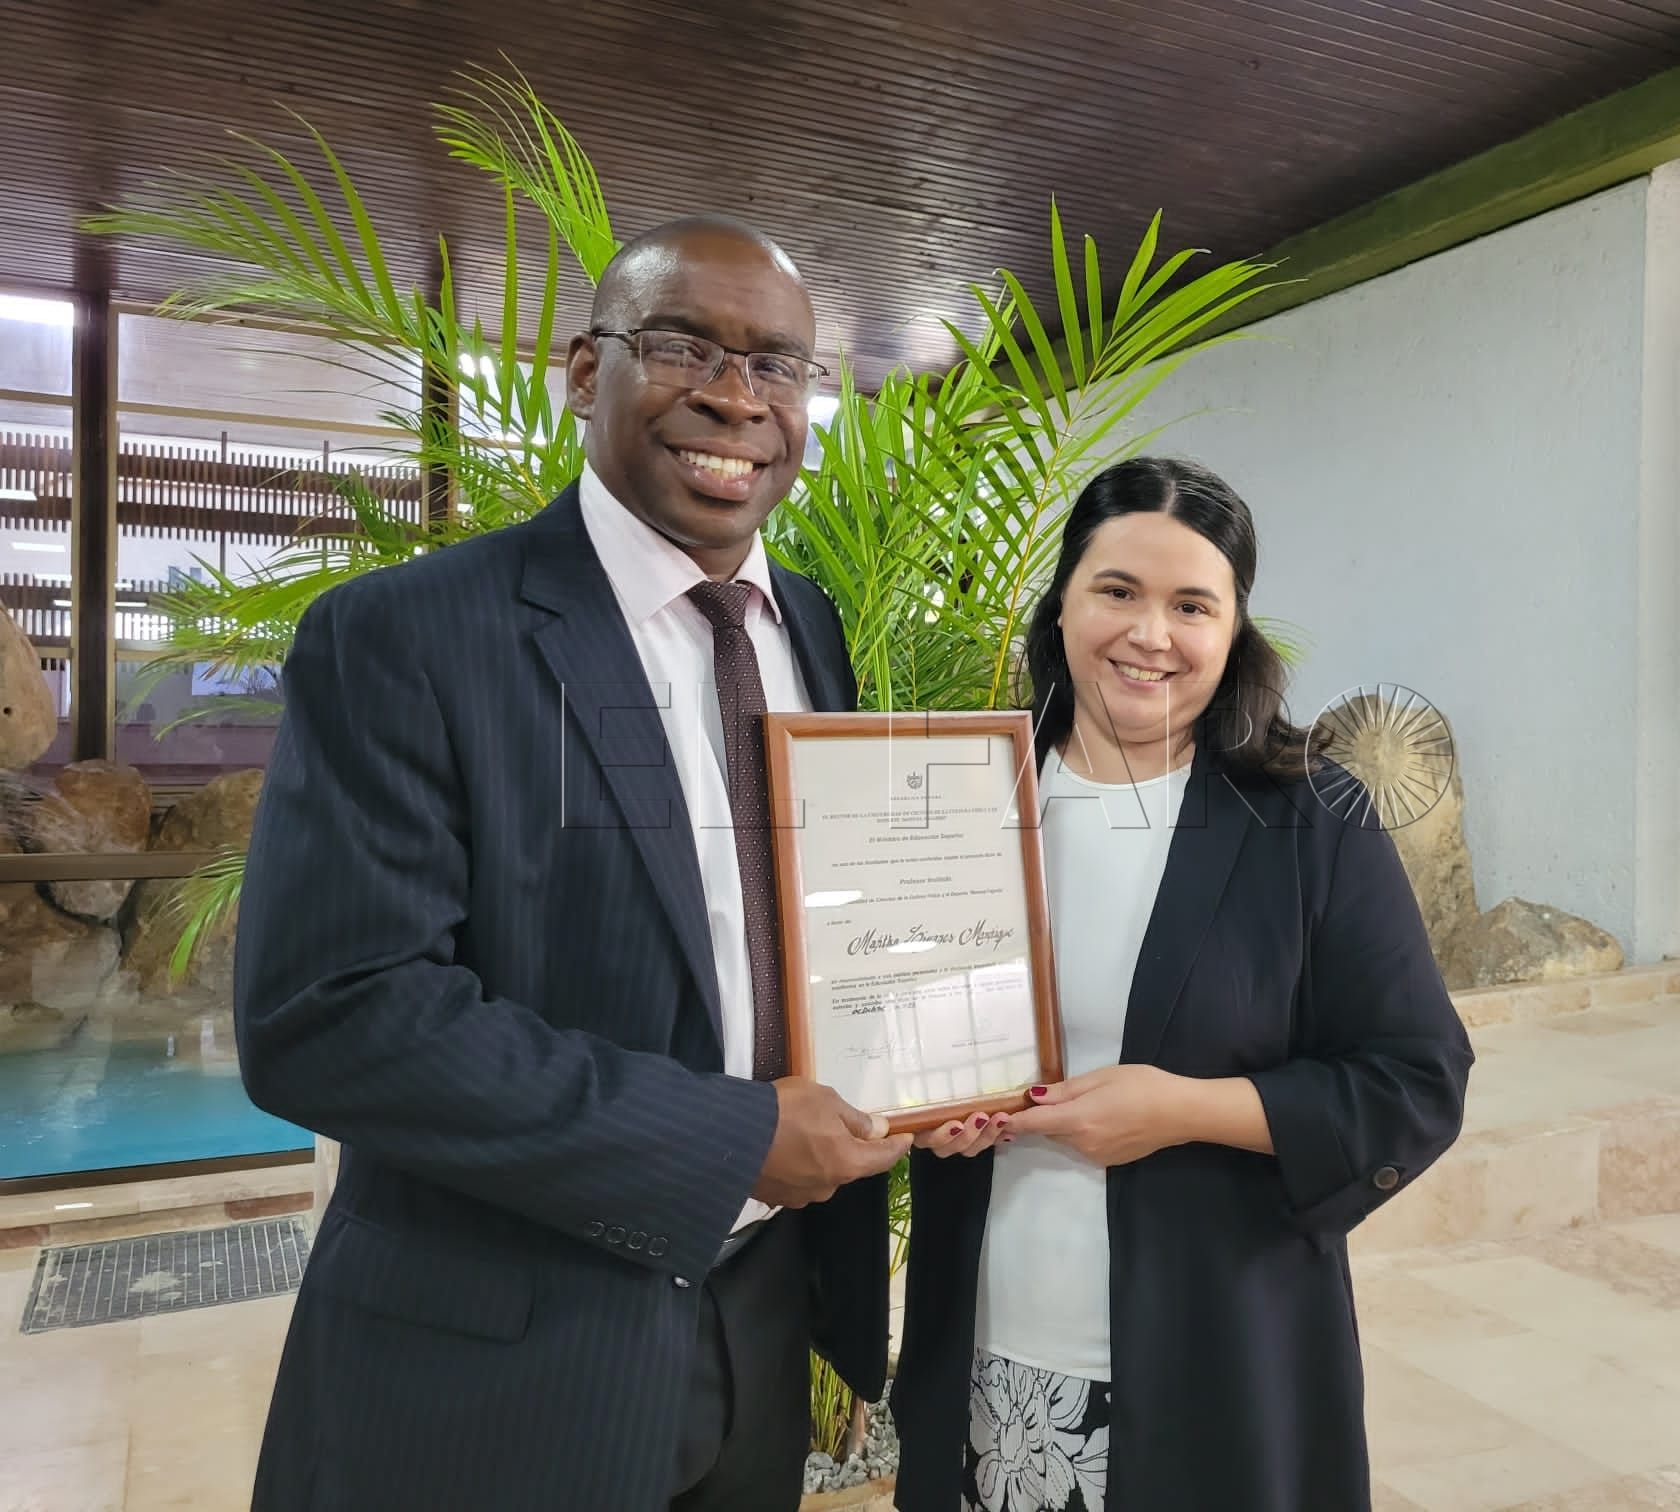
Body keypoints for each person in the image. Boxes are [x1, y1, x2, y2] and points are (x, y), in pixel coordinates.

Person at [235, 217, 910, 1512]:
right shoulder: (409, 637)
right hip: (500, 1369)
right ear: (582, 370)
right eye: (682, 345)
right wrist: (734, 1139)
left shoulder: (808, 625)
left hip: (756, 1332)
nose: (735, 394)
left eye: (778, 365)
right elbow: (332, 1018)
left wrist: (934, 1054)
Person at [890, 458, 1474, 1512]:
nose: (1149, 634)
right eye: (1117, 591)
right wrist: (923, 1104)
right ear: (1062, 600)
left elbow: (1416, 1082)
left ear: (1235, 631)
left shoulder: (1309, 819)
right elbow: (892, 1025)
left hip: (1216, 1361)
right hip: (985, 1341)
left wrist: (1184, 1110)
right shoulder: (968, 793)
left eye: (1190, 605)